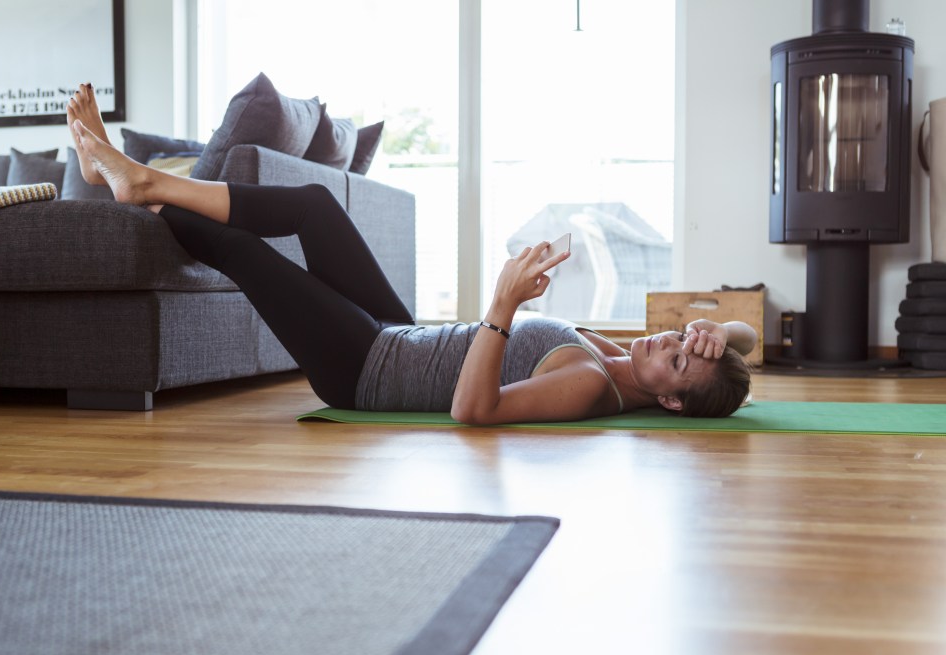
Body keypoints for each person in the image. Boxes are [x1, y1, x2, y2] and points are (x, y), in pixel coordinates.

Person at [66, 84, 757, 425]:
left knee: (246, 255)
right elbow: (743, 339)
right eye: (677, 338)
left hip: (366, 370)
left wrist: (501, 306)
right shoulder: (621, 359)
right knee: (313, 204)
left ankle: (132, 183)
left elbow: (473, 413)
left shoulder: (590, 386)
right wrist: (714, 335)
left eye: (674, 357)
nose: (667, 341)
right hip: (400, 334)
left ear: (667, 401)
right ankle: (139, 178)